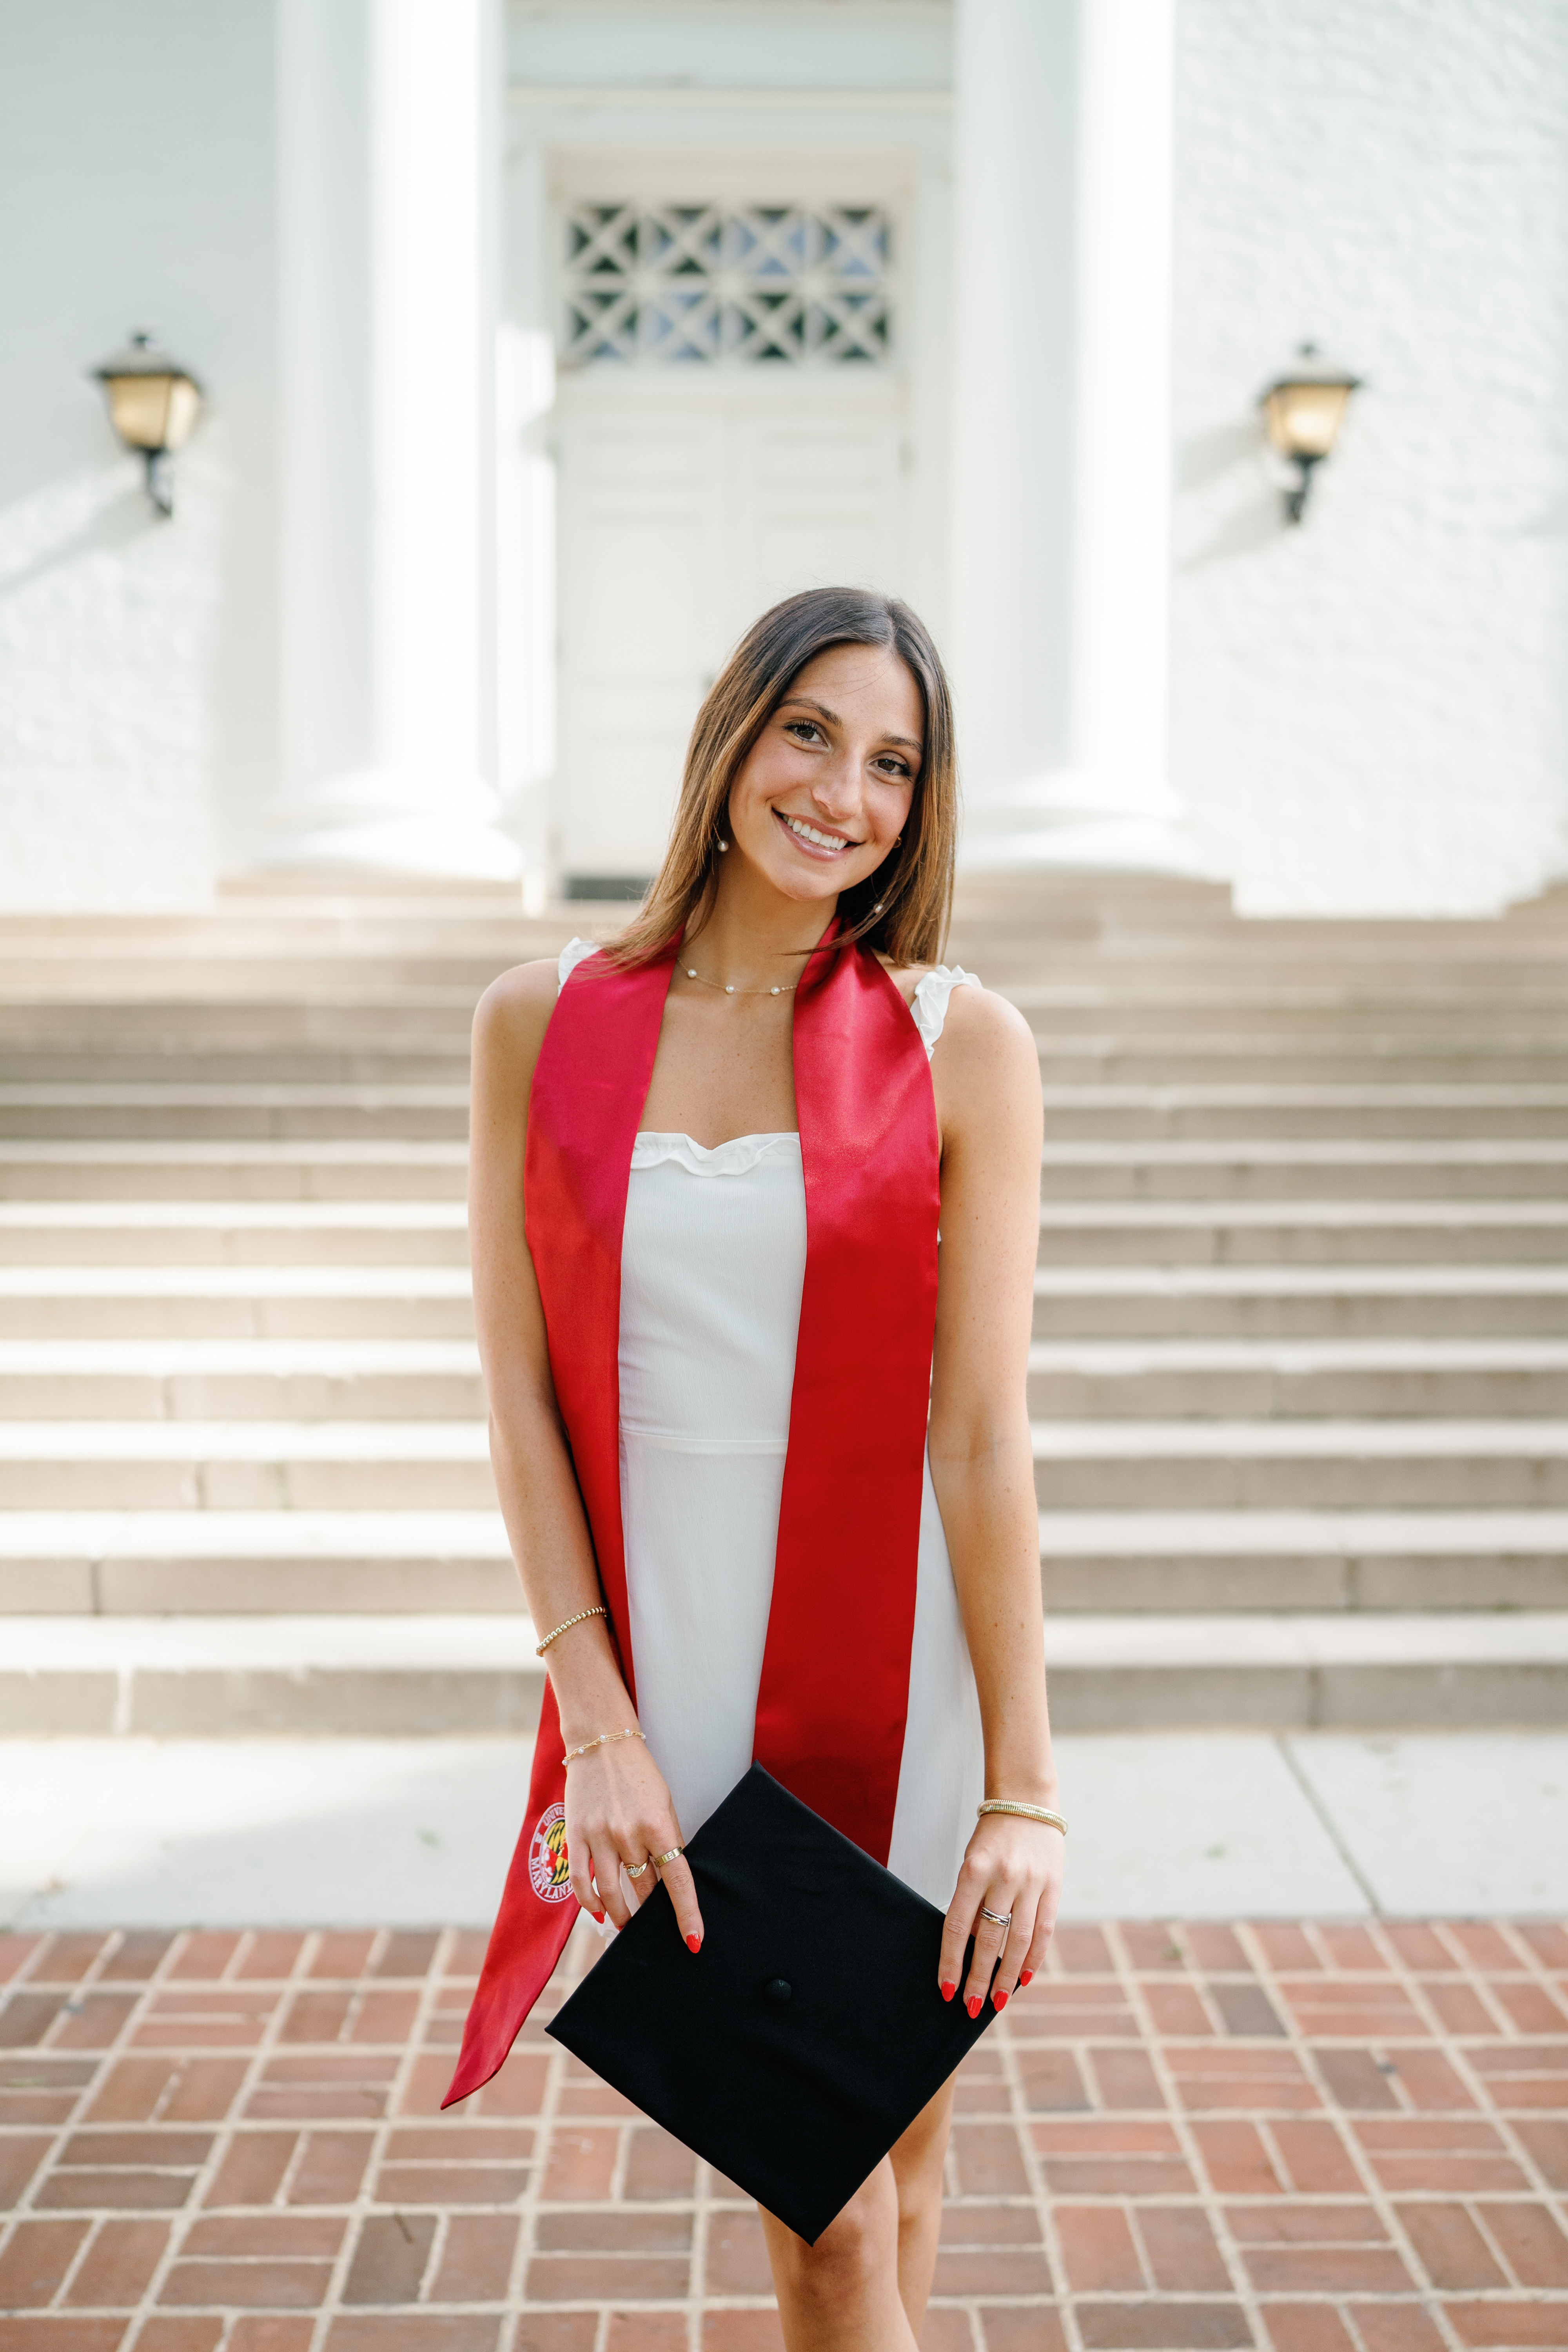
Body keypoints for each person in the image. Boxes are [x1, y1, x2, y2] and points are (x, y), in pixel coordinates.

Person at [463, 587, 1064, 2352]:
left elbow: (979, 1424)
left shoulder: (964, 1042)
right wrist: (597, 1719)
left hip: (906, 1670)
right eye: (811, 731)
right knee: (827, 2212)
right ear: (732, 734)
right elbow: (518, 1393)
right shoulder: (539, 1018)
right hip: (675, 1666)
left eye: (894, 762)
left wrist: (1023, 1785)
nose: (843, 793)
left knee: (898, 2154)